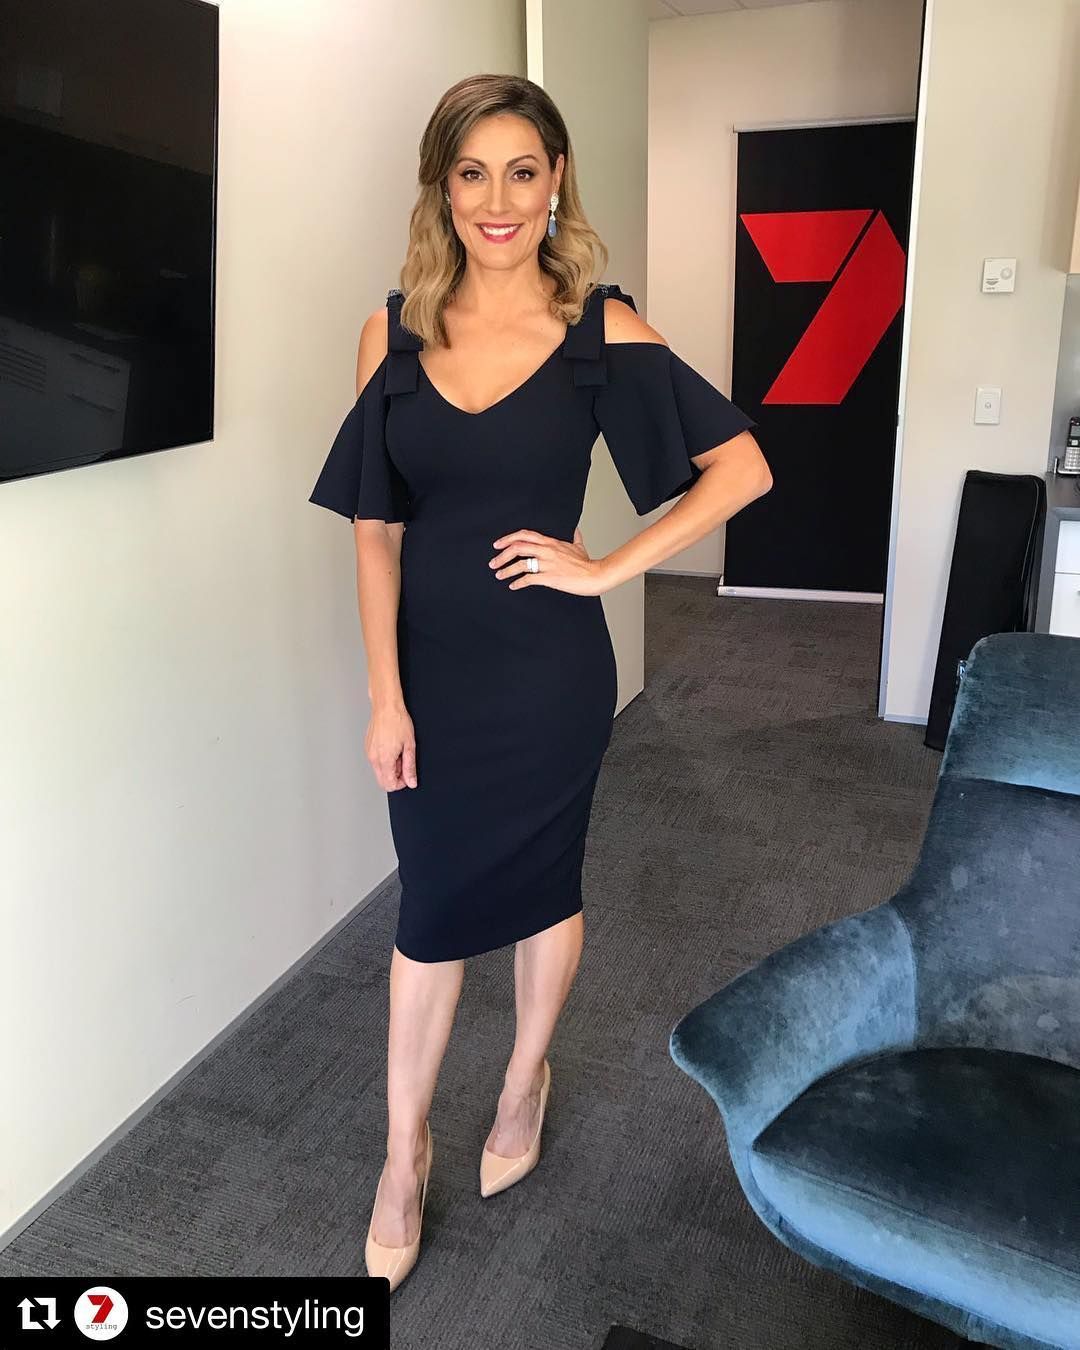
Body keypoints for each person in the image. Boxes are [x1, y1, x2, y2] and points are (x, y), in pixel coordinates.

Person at [309, 73, 772, 1293]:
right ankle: (404, 1152)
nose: (498, 199)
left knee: (543, 886)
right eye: (472, 173)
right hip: (433, 675)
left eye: (523, 170)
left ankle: (523, 1083)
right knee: (430, 912)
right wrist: (385, 694)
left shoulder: (597, 331)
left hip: (548, 679)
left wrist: (610, 566)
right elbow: (374, 532)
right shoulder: (391, 333)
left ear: (557, 180)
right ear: (442, 187)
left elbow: (741, 466)